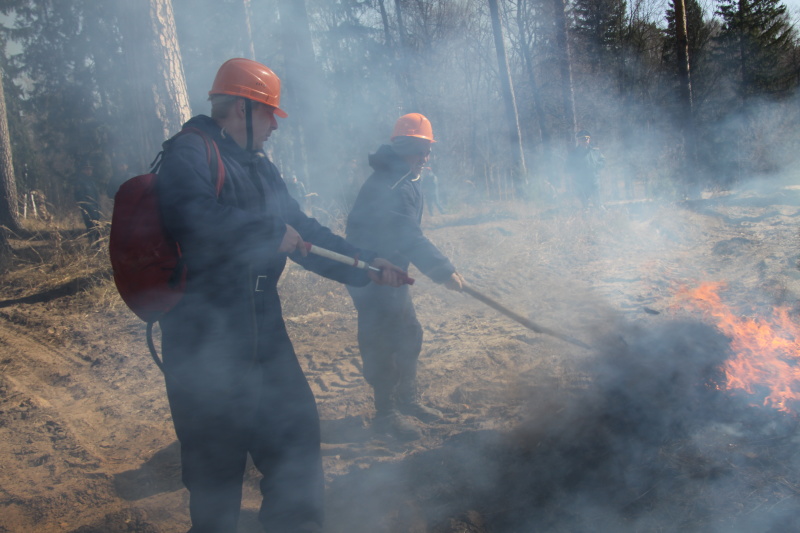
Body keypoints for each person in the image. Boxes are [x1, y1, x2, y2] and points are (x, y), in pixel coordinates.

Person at [155, 58, 407, 533]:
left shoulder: (258, 166)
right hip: (204, 335)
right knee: (216, 473)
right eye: (270, 114)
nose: (275, 125)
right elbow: (190, 217)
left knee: (295, 443)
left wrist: (369, 263)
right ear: (242, 108)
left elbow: (304, 233)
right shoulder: (189, 152)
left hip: (263, 329)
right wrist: (268, 230)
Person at [345, 113, 465, 441]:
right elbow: (407, 234)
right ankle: (386, 415)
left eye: (428, 151)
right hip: (372, 274)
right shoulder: (392, 184)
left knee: (409, 334)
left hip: (392, 272)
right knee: (382, 342)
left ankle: (407, 400)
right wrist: (444, 271)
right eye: (421, 151)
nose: (426, 158)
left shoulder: (404, 176)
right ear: (405, 148)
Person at [566, 129, 605, 209]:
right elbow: (568, 167)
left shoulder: (595, 151)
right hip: (581, 182)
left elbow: (603, 161)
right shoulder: (574, 154)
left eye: (586, 139)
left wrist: (597, 166)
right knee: (584, 203)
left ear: (589, 139)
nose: (584, 141)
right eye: (581, 139)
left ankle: (601, 214)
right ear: (579, 141)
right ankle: (586, 216)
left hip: (594, 180)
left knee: (598, 201)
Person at [72, 160, 102, 248]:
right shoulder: (80, 182)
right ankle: (92, 245)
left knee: (97, 227)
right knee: (91, 227)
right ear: (82, 170)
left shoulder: (91, 182)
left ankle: (98, 244)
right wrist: (88, 207)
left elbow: (96, 195)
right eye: (86, 169)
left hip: (95, 208)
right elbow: (80, 197)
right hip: (87, 209)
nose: (89, 171)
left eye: (90, 169)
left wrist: (97, 206)